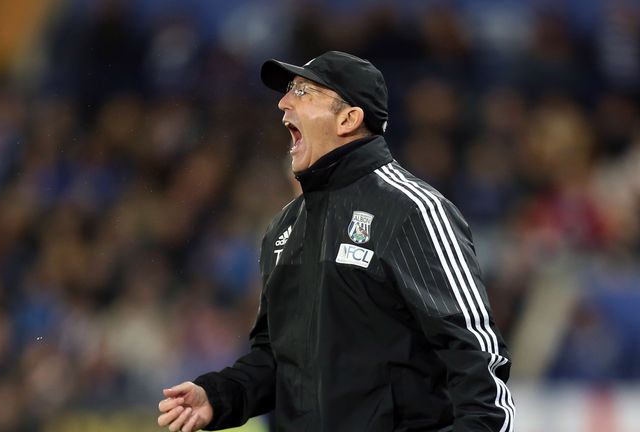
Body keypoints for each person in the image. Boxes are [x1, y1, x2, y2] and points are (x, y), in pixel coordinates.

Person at [157, 51, 515, 432]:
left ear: (348, 118)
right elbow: (278, 361)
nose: (283, 103)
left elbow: (476, 355)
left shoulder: (413, 211)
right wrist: (219, 395)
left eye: (303, 92)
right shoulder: (283, 229)